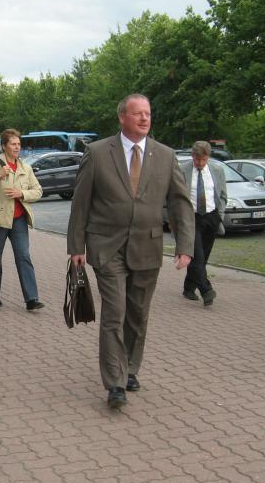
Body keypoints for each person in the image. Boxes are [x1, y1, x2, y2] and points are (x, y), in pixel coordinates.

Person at [67, 94, 195, 409]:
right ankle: (115, 382)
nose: (144, 118)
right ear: (122, 117)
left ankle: (130, 369)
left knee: (138, 314)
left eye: (148, 113)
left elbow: (179, 203)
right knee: (115, 312)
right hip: (107, 246)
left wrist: (185, 245)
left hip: (147, 245)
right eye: (137, 113)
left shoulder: (165, 155)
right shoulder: (98, 152)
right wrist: (76, 246)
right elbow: (81, 202)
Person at [0, 129, 45, 311]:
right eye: (13, 144)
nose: (17, 147)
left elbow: (38, 191)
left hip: (19, 219)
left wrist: (22, 193)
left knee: (24, 256)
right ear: (4, 146)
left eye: (18, 144)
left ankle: (32, 299)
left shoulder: (25, 168)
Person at [180, 141, 227, 306]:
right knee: (196, 256)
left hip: (211, 217)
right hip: (190, 218)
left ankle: (188, 288)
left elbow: (222, 194)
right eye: (197, 159)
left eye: (203, 160)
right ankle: (206, 290)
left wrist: (220, 215)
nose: (200, 163)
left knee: (203, 257)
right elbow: (175, 196)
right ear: (192, 156)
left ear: (208, 157)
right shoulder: (182, 170)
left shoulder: (217, 170)